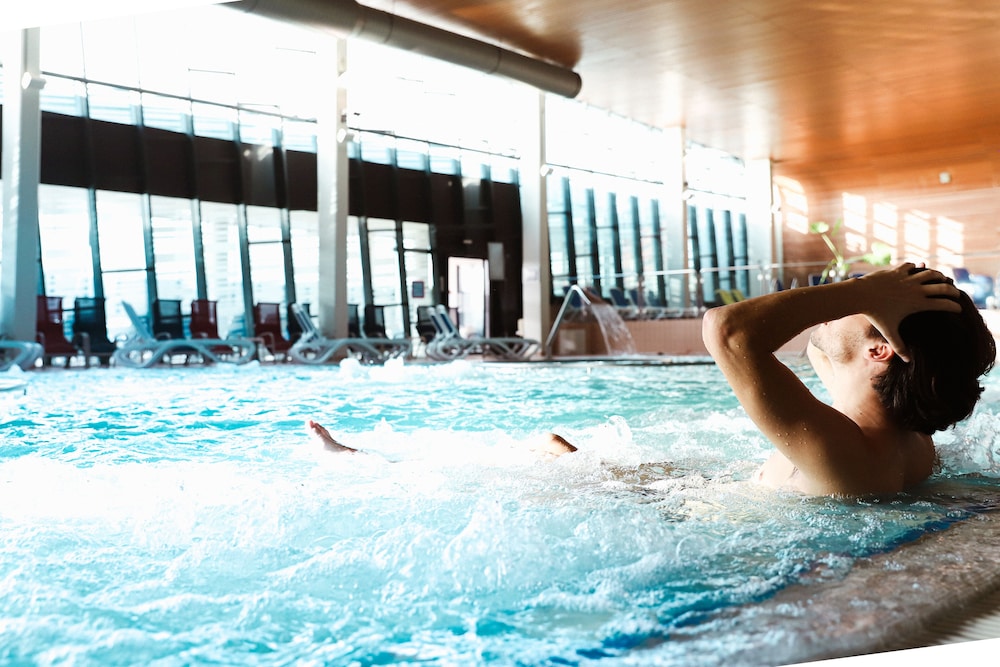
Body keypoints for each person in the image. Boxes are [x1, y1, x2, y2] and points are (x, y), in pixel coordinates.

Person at [702, 262, 996, 496]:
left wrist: (865, 291)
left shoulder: (841, 453)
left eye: (865, 306)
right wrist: (874, 294)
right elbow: (820, 348)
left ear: (879, 350)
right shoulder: (909, 436)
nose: (837, 308)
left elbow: (725, 330)